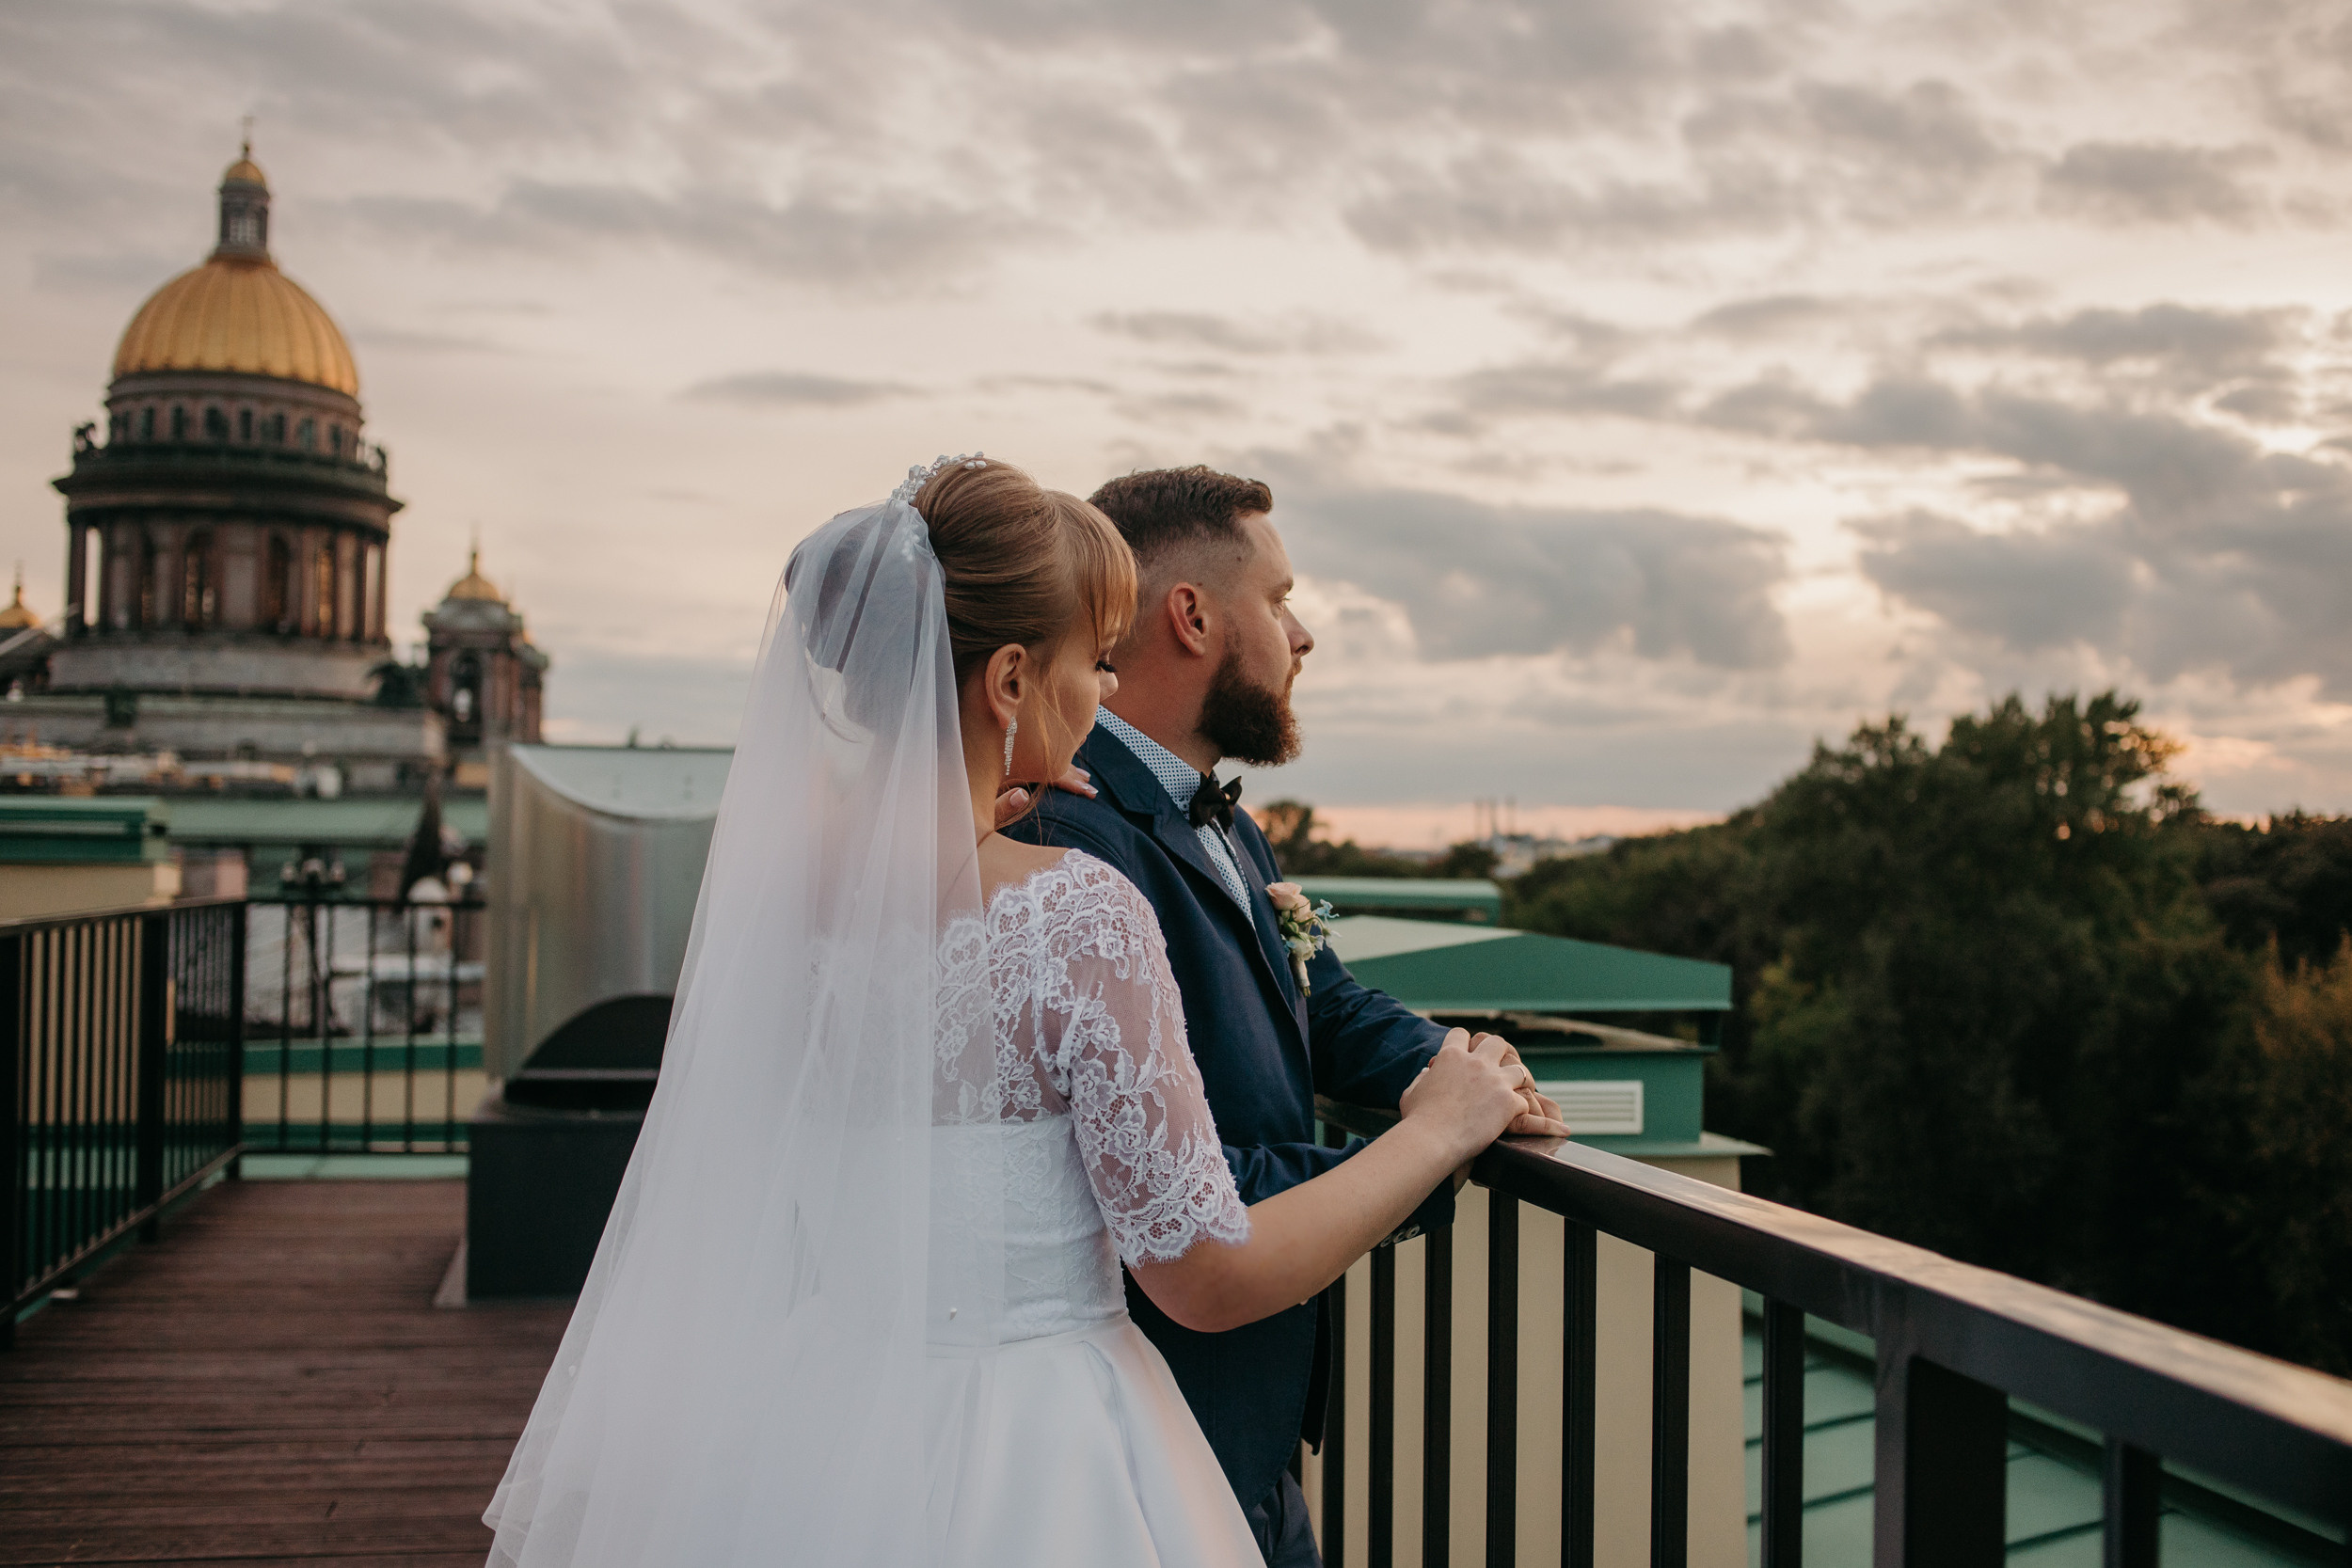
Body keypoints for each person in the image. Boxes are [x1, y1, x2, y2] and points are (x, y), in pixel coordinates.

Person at [483, 455, 1543, 1566]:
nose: (1098, 694)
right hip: (1042, 1450)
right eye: (1090, 661)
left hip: (821, 1421)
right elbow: (1205, 1270)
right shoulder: (1075, 909)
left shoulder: (793, 908)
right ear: (1006, 684)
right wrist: (1438, 1128)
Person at [1003, 465, 1569, 1565]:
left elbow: (1320, 997)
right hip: (1158, 1425)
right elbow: (1184, 1189)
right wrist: (1424, 1147)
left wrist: (1453, 1066)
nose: (1301, 634)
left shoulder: (1218, 817)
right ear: (1194, 614)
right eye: (1281, 597)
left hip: (1254, 1430)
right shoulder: (1072, 837)